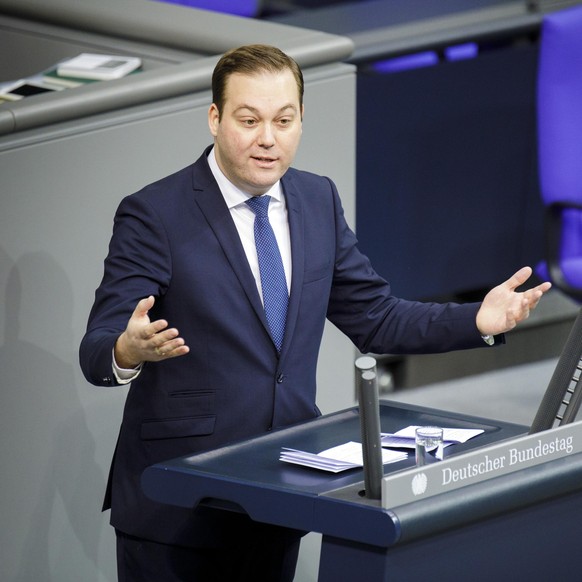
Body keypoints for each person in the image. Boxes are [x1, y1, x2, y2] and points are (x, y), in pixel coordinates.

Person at [80, 44, 551, 582]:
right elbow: (97, 346)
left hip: (280, 489)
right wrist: (126, 349)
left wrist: (475, 320)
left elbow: (375, 316)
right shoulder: (155, 212)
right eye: (249, 120)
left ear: (301, 120)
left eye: (284, 120)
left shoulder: (316, 200)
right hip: (179, 501)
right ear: (214, 118)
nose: (267, 138)